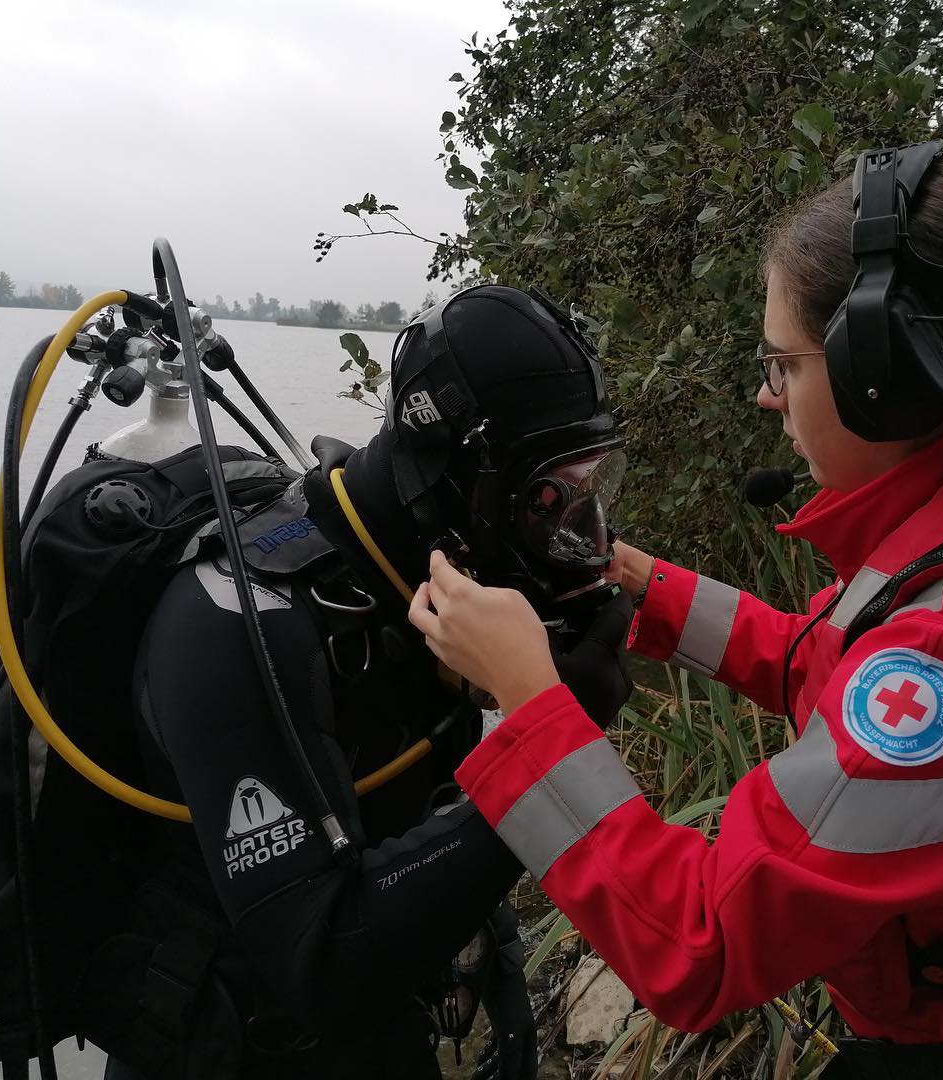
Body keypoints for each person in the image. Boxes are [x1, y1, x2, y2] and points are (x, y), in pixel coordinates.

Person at [409, 144, 943, 1079]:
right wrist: (645, 590)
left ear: (887, 372)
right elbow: (838, 667)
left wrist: (524, 695)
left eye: (783, 363)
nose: (767, 395)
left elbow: (700, 941)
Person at [102, 284, 634, 1079]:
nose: (584, 535)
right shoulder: (237, 627)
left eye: (594, 487)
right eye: (549, 497)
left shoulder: (421, 574)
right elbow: (320, 966)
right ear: (458, 472)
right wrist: (555, 740)